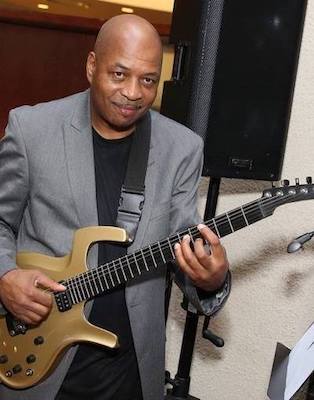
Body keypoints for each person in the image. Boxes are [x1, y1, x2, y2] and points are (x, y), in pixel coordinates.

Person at [0, 14, 230, 400]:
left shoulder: (182, 149)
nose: (133, 93)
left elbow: (185, 257)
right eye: (119, 74)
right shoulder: (31, 129)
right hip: (37, 363)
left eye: (148, 80)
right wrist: (5, 277)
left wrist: (211, 280)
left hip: (130, 376)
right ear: (92, 66)